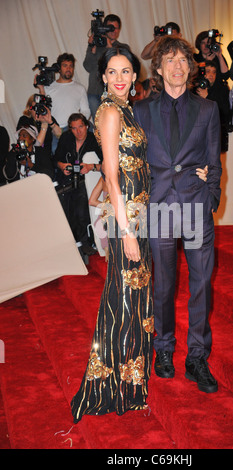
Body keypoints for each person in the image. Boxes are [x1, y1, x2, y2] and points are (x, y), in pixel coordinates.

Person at [134, 36, 222, 394]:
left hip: (196, 205)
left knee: (201, 283)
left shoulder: (207, 109)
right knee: (164, 284)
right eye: (169, 60)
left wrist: (210, 194)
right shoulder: (140, 110)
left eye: (183, 59)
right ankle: (164, 348)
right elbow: (135, 163)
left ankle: (197, 356)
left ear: (191, 65)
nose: (177, 66)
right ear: (158, 68)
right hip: (159, 206)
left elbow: (214, 161)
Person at [71, 47, 154, 422]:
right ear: (103, 77)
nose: (119, 78)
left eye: (126, 71)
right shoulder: (108, 111)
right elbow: (111, 174)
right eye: (112, 71)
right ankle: (113, 385)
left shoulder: (126, 110)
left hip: (140, 218)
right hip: (129, 223)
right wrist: (127, 231)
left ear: (135, 77)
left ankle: (130, 379)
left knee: (133, 299)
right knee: (122, 299)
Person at [54, 113, 102, 257]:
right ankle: (72, 243)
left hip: (87, 181)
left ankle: (86, 242)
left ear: (87, 126)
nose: (78, 132)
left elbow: (107, 165)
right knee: (62, 206)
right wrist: (62, 165)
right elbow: (56, 159)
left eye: (81, 127)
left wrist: (91, 166)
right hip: (66, 180)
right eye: (74, 129)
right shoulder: (66, 138)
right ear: (70, 129)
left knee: (81, 206)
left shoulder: (95, 140)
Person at [35, 53, 90, 152]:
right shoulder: (49, 88)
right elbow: (42, 108)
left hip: (72, 130)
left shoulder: (80, 88)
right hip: (54, 128)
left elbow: (86, 111)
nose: (68, 69)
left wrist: (78, 124)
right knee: (55, 153)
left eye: (71, 66)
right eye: (65, 66)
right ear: (59, 69)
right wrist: (41, 88)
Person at [83, 14, 130, 121]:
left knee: (116, 123)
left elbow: (124, 66)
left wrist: (110, 47)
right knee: (99, 126)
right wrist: (91, 47)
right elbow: (88, 67)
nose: (113, 31)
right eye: (110, 28)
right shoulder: (96, 45)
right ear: (104, 29)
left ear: (119, 29)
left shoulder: (123, 47)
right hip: (94, 92)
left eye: (115, 28)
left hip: (115, 93)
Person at [194, 60, 230, 152]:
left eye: (214, 72)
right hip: (197, 137)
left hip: (215, 136)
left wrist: (208, 97)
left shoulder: (223, 89)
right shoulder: (194, 89)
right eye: (208, 71)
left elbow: (225, 112)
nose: (211, 75)